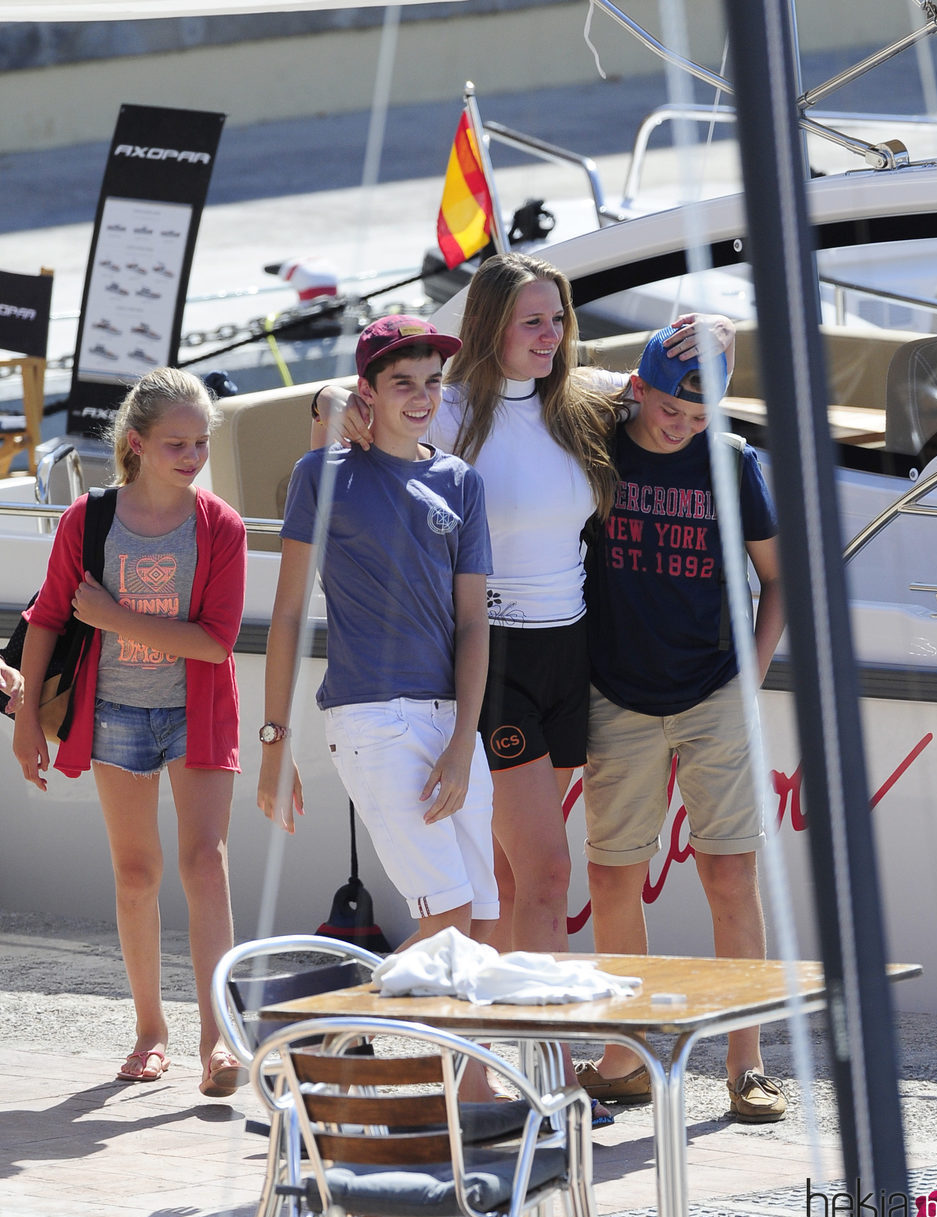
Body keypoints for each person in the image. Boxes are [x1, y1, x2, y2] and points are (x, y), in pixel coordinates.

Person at [325, 254, 734, 965]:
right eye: (533, 321)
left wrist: (718, 328)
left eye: (559, 320)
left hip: (568, 654)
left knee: (511, 877)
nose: (551, 335)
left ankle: (496, 1047)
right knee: (547, 872)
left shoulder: (579, 397)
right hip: (491, 656)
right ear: (490, 326)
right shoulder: (445, 409)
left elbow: (666, 377)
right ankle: (544, 1055)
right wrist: (331, 406)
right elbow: (349, 394)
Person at [12, 367, 248, 1098]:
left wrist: (117, 619)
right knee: (136, 873)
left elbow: (216, 642)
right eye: (176, 442)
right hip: (112, 711)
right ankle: (151, 1031)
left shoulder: (220, 526)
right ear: (136, 444)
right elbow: (48, 614)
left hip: (194, 711)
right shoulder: (90, 518)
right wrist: (25, 723)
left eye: (201, 442)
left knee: (205, 863)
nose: (191, 455)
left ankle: (218, 1038)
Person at [575, 327, 787, 1122]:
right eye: (669, 408)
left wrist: (752, 672)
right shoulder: (598, 445)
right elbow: (555, 379)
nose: (682, 427)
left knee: (729, 875)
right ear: (639, 387)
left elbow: (777, 578)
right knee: (611, 876)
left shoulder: (731, 461)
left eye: (699, 416)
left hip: (713, 691)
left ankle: (747, 1061)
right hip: (615, 690)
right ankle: (626, 1054)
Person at [258, 315, 499, 947]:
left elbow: (474, 621)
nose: (423, 397)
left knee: (482, 927)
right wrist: (274, 741)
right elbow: (287, 612)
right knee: (449, 923)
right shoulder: (321, 474)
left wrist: (462, 742)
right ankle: (335, 1025)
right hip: (372, 718)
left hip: (454, 724)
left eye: (432, 381)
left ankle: (368, 1032)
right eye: (403, 383)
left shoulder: (461, 481)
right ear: (367, 391)